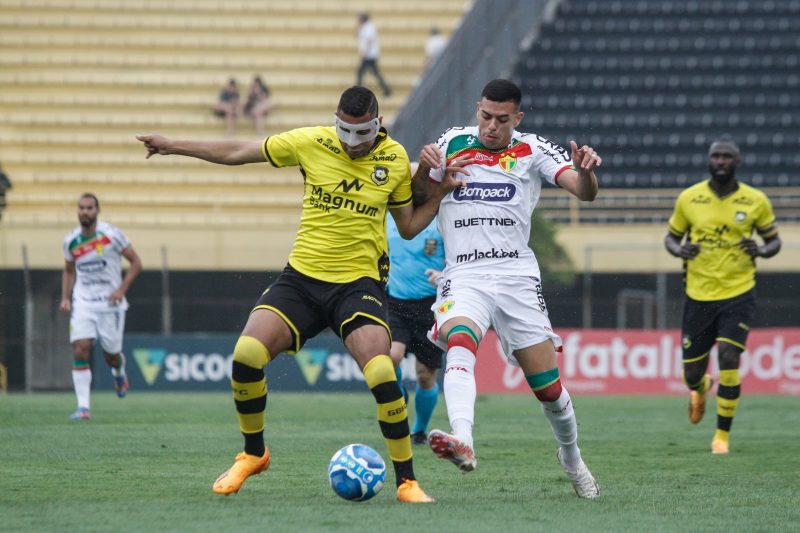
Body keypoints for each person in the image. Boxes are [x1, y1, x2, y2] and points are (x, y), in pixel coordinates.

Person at [136, 86, 469, 502]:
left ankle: (407, 483)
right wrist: (173, 146)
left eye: (361, 134)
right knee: (246, 356)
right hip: (301, 281)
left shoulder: (394, 159)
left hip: (358, 286)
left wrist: (436, 194)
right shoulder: (310, 142)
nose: (351, 143)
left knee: (383, 373)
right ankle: (253, 454)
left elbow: (407, 225)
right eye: (344, 132)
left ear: (378, 124)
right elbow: (240, 150)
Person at [414, 79, 601, 499]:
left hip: (516, 275)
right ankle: (464, 440)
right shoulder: (450, 142)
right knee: (459, 341)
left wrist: (586, 175)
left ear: (517, 118)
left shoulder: (533, 148)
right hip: (463, 273)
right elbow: (417, 200)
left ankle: (571, 457)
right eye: (485, 116)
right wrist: (426, 169)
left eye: (502, 119)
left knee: (549, 390)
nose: (491, 126)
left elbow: (582, 192)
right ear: (476, 108)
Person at [665, 137, 781, 455]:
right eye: (715, 156)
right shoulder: (690, 198)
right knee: (691, 375)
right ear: (708, 160)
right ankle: (701, 389)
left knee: (729, 358)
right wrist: (680, 249)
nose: (720, 161)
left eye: (726, 157)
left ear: (737, 162)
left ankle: (721, 437)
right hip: (698, 295)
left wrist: (761, 248)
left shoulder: (755, 200)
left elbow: (774, 242)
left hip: (738, 292)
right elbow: (671, 239)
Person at [59, 193, 142, 420]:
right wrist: (65, 297)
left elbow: (136, 263)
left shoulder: (111, 235)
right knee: (80, 348)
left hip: (110, 304)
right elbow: (68, 270)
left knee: (110, 355)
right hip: (83, 302)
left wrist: (121, 290)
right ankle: (83, 407)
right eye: (81, 208)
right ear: (78, 211)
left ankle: (118, 371)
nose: (85, 212)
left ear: (97, 210)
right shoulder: (70, 241)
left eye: (89, 208)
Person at [386, 197, 445, 445]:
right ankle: (397, 408)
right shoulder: (387, 217)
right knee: (391, 358)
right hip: (394, 301)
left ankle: (419, 430)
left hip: (431, 305)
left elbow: (462, 257)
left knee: (425, 375)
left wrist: (445, 275)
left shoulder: (443, 220)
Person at [356, 12, 391, 97]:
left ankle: (357, 91)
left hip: (369, 55)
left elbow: (369, 40)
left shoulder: (368, 27)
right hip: (370, 54)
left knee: (361, 72)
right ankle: (386, 90)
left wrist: (365, 52)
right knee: (374, 73)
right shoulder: (366, 27)